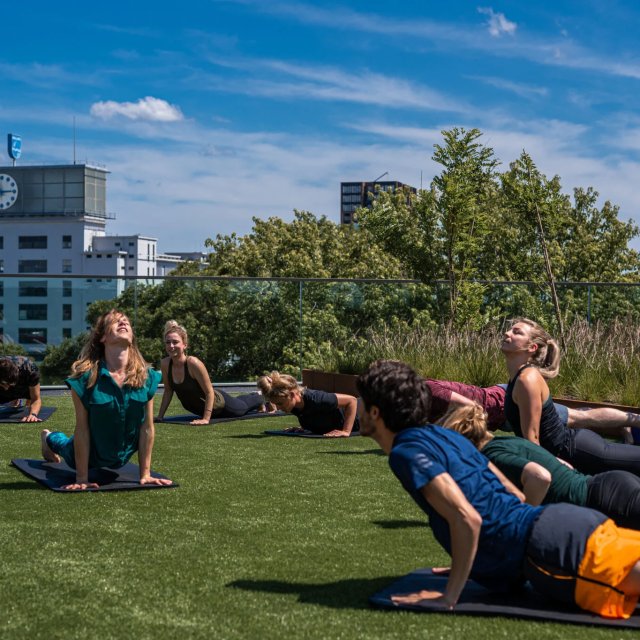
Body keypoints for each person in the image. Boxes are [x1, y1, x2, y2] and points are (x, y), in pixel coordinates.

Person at [356, 359, 640, 618]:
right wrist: (464, 564)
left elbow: (467, 518)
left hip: (551, 548)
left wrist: (448, 597)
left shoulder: (406, 452)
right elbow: (511, 493)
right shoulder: (442, 435)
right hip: (559, 527)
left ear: (375, 412)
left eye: (362, 401)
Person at [443, 403, 640, 530]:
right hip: (608, 486)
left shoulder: (493, 455)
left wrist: (524, 521)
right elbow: (561, 465)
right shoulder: (507, 442)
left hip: (604, 500)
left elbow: (540, 477)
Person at [40, 310, 171, 491]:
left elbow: (147, 428)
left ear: (132, 337)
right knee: (64, 445)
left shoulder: (147, 377)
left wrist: (145, 474)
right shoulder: (85, 380)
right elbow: (82, 430)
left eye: (126, 321)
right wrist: (82, 478)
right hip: (92, 455)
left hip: (122, 457)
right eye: (115, 322)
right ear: (102, 337)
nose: (123, 323)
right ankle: (48, 438)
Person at [503, 318, 640, 475]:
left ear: (532, 347)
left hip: (578, 450)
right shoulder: (518, 378)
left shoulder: (527, 379)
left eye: (516, 332)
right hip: (568, 450)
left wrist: (552, 465)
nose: (507, 333)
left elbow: (532, 439)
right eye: (510, 330)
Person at [428, 377, 636, 441]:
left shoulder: (429, 391)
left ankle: (632, 420)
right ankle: (621, 427)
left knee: (578, 417)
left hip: (508, 403)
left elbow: (474, 408)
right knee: (572, 421)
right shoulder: (413, 396)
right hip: (503, 416)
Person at [157, 320, 269, 424]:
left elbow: (209, 392)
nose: (171, 346)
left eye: (175, 342)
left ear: (184, 345)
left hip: (219, 405)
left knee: (242, 407)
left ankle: (261, 396)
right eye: (168, 342)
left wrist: (205, 419)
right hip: (199, 408)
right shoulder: (165, 364)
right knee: (240, 400)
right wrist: (160, 416)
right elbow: (168, 391)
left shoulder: (193, 363)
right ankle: (256, 396)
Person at [257, 370, 358, 437]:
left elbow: (352, 401)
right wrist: (306, 428)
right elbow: (316, 415)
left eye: (280, 403)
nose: (278, 408)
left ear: (292, 395)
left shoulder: (316, 398)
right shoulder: (294, 406)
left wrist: (346, 431)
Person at [0, 355, 43, 422]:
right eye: (4, 384)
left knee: (30, 398)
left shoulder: (30, 369)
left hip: (23, 386)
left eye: (10, 384)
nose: (7, 388)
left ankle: (19, 399)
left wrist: (33, 415)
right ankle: (14, 400)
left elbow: (35, 398)